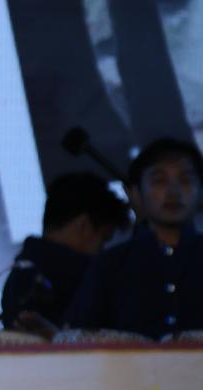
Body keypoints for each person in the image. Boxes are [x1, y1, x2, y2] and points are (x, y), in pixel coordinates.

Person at [66, 137, 202, 338]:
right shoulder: (110, 264)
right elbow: (81, 335)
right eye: (159, 180)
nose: (173, 191)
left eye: (185, 180)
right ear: (136, 193)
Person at [1, 172, 128, 332]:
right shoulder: (87, 278)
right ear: (83, 226)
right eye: (103, 239)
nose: (101, 251)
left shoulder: (20, 272)